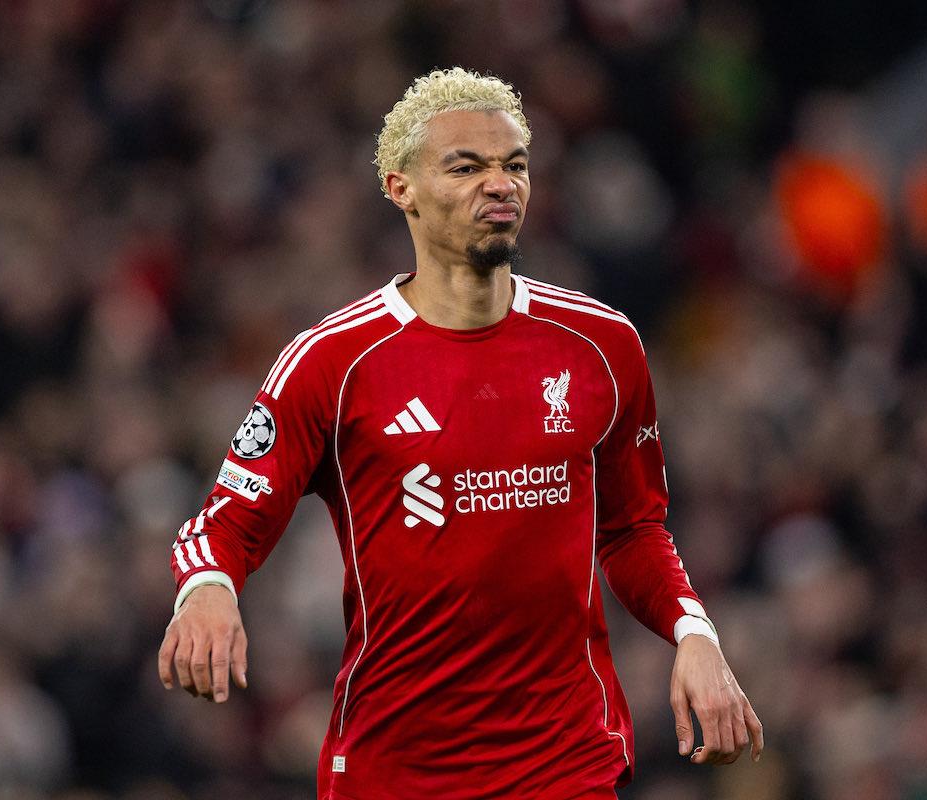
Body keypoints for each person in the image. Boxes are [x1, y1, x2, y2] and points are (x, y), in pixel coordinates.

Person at [158, 67, 763, 799]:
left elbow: (633, 528)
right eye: (466, 167)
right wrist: (209, 589)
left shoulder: (602, 345)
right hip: (395, 768)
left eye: (515, 165)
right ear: (401, 188)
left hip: (565, 762)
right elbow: (226, 523)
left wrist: (693, 632)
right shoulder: (333, 361)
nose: (500, 185)